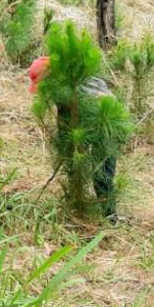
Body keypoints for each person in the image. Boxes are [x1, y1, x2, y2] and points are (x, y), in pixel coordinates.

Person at [28, 56, 120, 219]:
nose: (43, 91)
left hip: (105, 125)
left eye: (43, 84)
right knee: (75, 166)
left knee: (102, 173)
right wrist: (66, 145)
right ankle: (77, 201)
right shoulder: (60, 89)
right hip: (85, 126)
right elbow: (64, 120)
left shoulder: (83, 86)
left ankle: (109, 216)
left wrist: (81, 140)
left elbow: (106, 110)